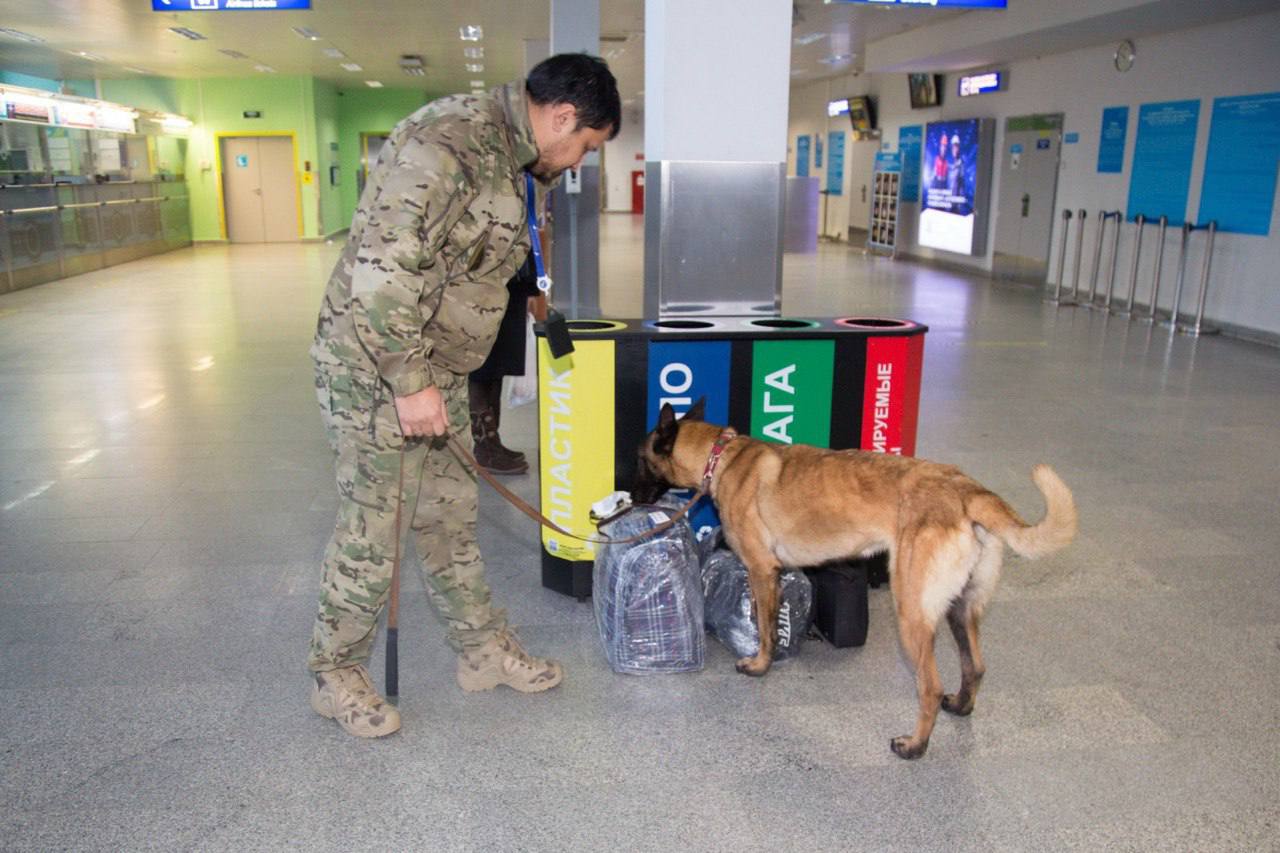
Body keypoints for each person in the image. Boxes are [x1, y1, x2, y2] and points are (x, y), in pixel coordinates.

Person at [307, 53, 620, 737]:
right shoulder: (445, 142)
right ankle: (335, 672)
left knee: (450, 516)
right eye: (585, 147)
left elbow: (490, 250)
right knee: (375, 526)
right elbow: (382, 274)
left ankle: (481, 650)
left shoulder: (518, 160)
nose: (576, 162)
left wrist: (534, 300)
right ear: (562, 117)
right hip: (376, 366)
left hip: (435, 364)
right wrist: (409, 382)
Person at [468, 255, 540, 476]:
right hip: (482, 281)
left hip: (511, 277)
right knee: (482, 364)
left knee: (499, 361)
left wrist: (530, 287)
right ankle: (484, 446)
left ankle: (493, 439)